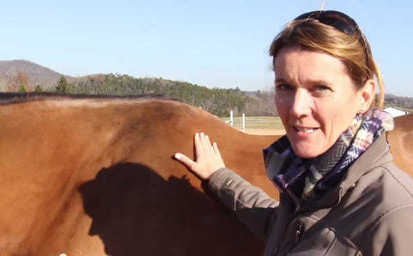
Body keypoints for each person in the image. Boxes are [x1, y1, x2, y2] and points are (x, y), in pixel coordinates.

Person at [174, 10, 413, 255]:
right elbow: (284, 228)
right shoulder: (311, 181)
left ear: (364, 97)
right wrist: (219, 176)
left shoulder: (396, 216)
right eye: (285, 86)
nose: (296, 108)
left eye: (320, 88)